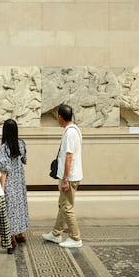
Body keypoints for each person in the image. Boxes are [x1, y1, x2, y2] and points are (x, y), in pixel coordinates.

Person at [42, 104, 83, 248]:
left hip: (69, 177)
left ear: (60, 116)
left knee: (67, 207)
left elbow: (69, 157)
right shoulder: (74, 130)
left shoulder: (70, 133)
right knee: (63, 205)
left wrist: (65, 179)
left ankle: (75, 237)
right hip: (71, 175)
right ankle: (56, 233)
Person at [0, 119, 29, 247]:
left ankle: (11, 237)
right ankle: (20, 233)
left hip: (10, 181)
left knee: (9, 208)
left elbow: (4, 169)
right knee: (19, 206)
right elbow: (25, 160)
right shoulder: (21, 144)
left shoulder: (4, 147)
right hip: (20, 180)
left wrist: (1, 187)